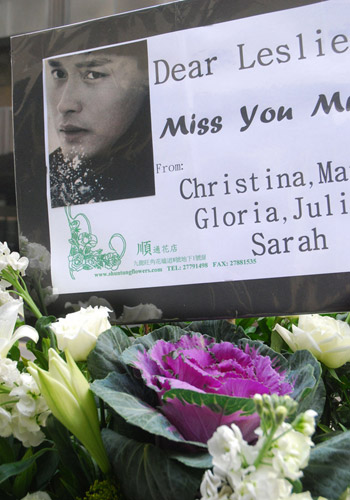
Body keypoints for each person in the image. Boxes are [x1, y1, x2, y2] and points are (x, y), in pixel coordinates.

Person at [45, 40, 155, 208]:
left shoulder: (172, 175)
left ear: (147, 77)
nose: (64, 104)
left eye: (94, 74)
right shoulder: (41, 177)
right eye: (59, 74)